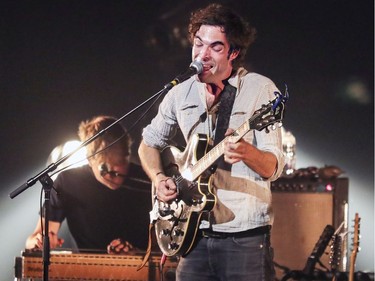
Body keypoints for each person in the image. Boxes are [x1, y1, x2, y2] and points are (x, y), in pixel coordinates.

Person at [138, 3, 285, 281]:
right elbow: (148, 144)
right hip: (193, 236)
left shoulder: (260, 89)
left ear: (234, 53)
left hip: (244, 238)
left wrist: (247, 152)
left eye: (215, 47)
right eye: (197, 44)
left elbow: (273, 167)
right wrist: (159, 179)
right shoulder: (179, 94)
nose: (202, 55)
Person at [26, 115, 151, 254]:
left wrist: (138, 254)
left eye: (121, 163)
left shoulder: (148, 180)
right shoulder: (68, 182)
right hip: (86, 272)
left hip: (144, 270)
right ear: (90, 160)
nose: (115, 174)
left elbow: (166, 247)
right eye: (106, 169)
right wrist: (41, 242)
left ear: (128, 155)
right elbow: (32, 241)